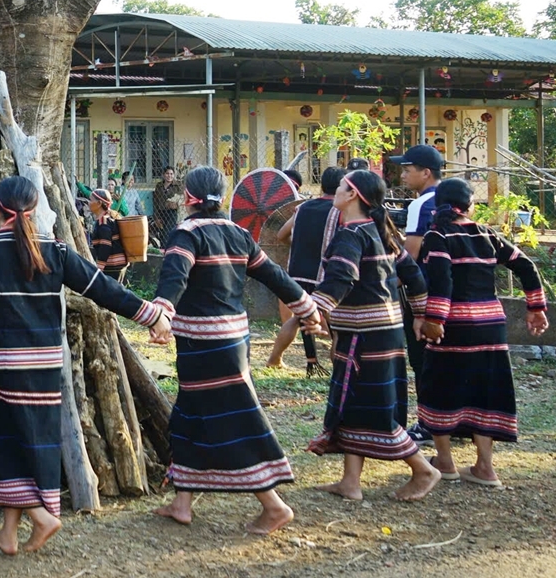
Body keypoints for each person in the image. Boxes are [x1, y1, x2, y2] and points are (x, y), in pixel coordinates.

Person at [0, 176, 169, 555]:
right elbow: (103, 289)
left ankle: (41, 517)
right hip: (42, 369)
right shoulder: (55, 250)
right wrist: (151, 315)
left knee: (1, 444)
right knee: (24, 442)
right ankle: (8, 533)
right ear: (34, 209)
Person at [149, 167, 321, 534]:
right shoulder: (238, 234)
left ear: (189, 198)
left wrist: (161, 312)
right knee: (190, 415)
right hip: (233, 339)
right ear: (223, 197)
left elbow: (175, 276)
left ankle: (274, 505)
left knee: (233, 419)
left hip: (203, 345)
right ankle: (182, 502)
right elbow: (274, 275)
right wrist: (306, 307)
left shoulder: (186, 234)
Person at [306, 169, 440, 502]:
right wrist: (420, 315)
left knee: (373, 408)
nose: (335, 191)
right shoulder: (381, 233)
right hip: (383, 331)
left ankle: (424, 470)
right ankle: (350, 483)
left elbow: (341, 277)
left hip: (364, 336)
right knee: (355, 404)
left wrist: (313, 311)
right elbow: (414, 276)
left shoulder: (351, 235)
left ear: (352, 194)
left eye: (341, 186)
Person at [418, 178, 547, 488]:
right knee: (485, 389)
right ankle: (485, 468)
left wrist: (434, 319)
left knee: (440, 385)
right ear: (470, 206)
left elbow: (442, 279)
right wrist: (536, 308)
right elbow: (526, 265)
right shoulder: (486, 233)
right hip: (491, 325)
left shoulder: (437, 235)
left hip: (453, 325)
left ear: (438, 205)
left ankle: (445, 462)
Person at [267, 166, 347, 374]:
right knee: (336, 324)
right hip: (324, 275)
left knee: (297, 318)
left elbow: (281, 235)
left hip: (297, 273)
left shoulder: (302, 207)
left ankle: (275, 359)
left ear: (322, 186)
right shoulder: (341, 211)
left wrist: (298, 245)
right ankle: (337, 367)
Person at [391, 144, 443, 445]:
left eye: (407, 170)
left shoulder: (420, 205)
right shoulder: (456, 198)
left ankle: (427, 424)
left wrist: (387, 283)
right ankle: (452, 421)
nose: (402, 175)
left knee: (422, 358)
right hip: (449, 290)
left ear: (426, 173)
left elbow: (410, 255)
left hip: (422, 293)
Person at [86, 187, 129, 282]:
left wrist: (99, 268)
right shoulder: (107, 218)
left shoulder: (103, 222)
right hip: (118, 264)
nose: (88, 203)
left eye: (91, 200)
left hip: (112, 265)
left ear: (99, 203)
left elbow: (105, 246)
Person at [152, 167, 182, 245]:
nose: (169, 176)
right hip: (161, 212)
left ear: (174, 175)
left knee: (168, 232)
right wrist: (156, 217)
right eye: (167, 173)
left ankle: (167, 247)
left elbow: (181, 198)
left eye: (171, 174)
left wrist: (176, 204)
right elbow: (156, 201)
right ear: (164, 175)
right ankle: (163, 249)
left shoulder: (178, 185)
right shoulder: (159, 186)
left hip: (172, 212)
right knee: (161, 233)